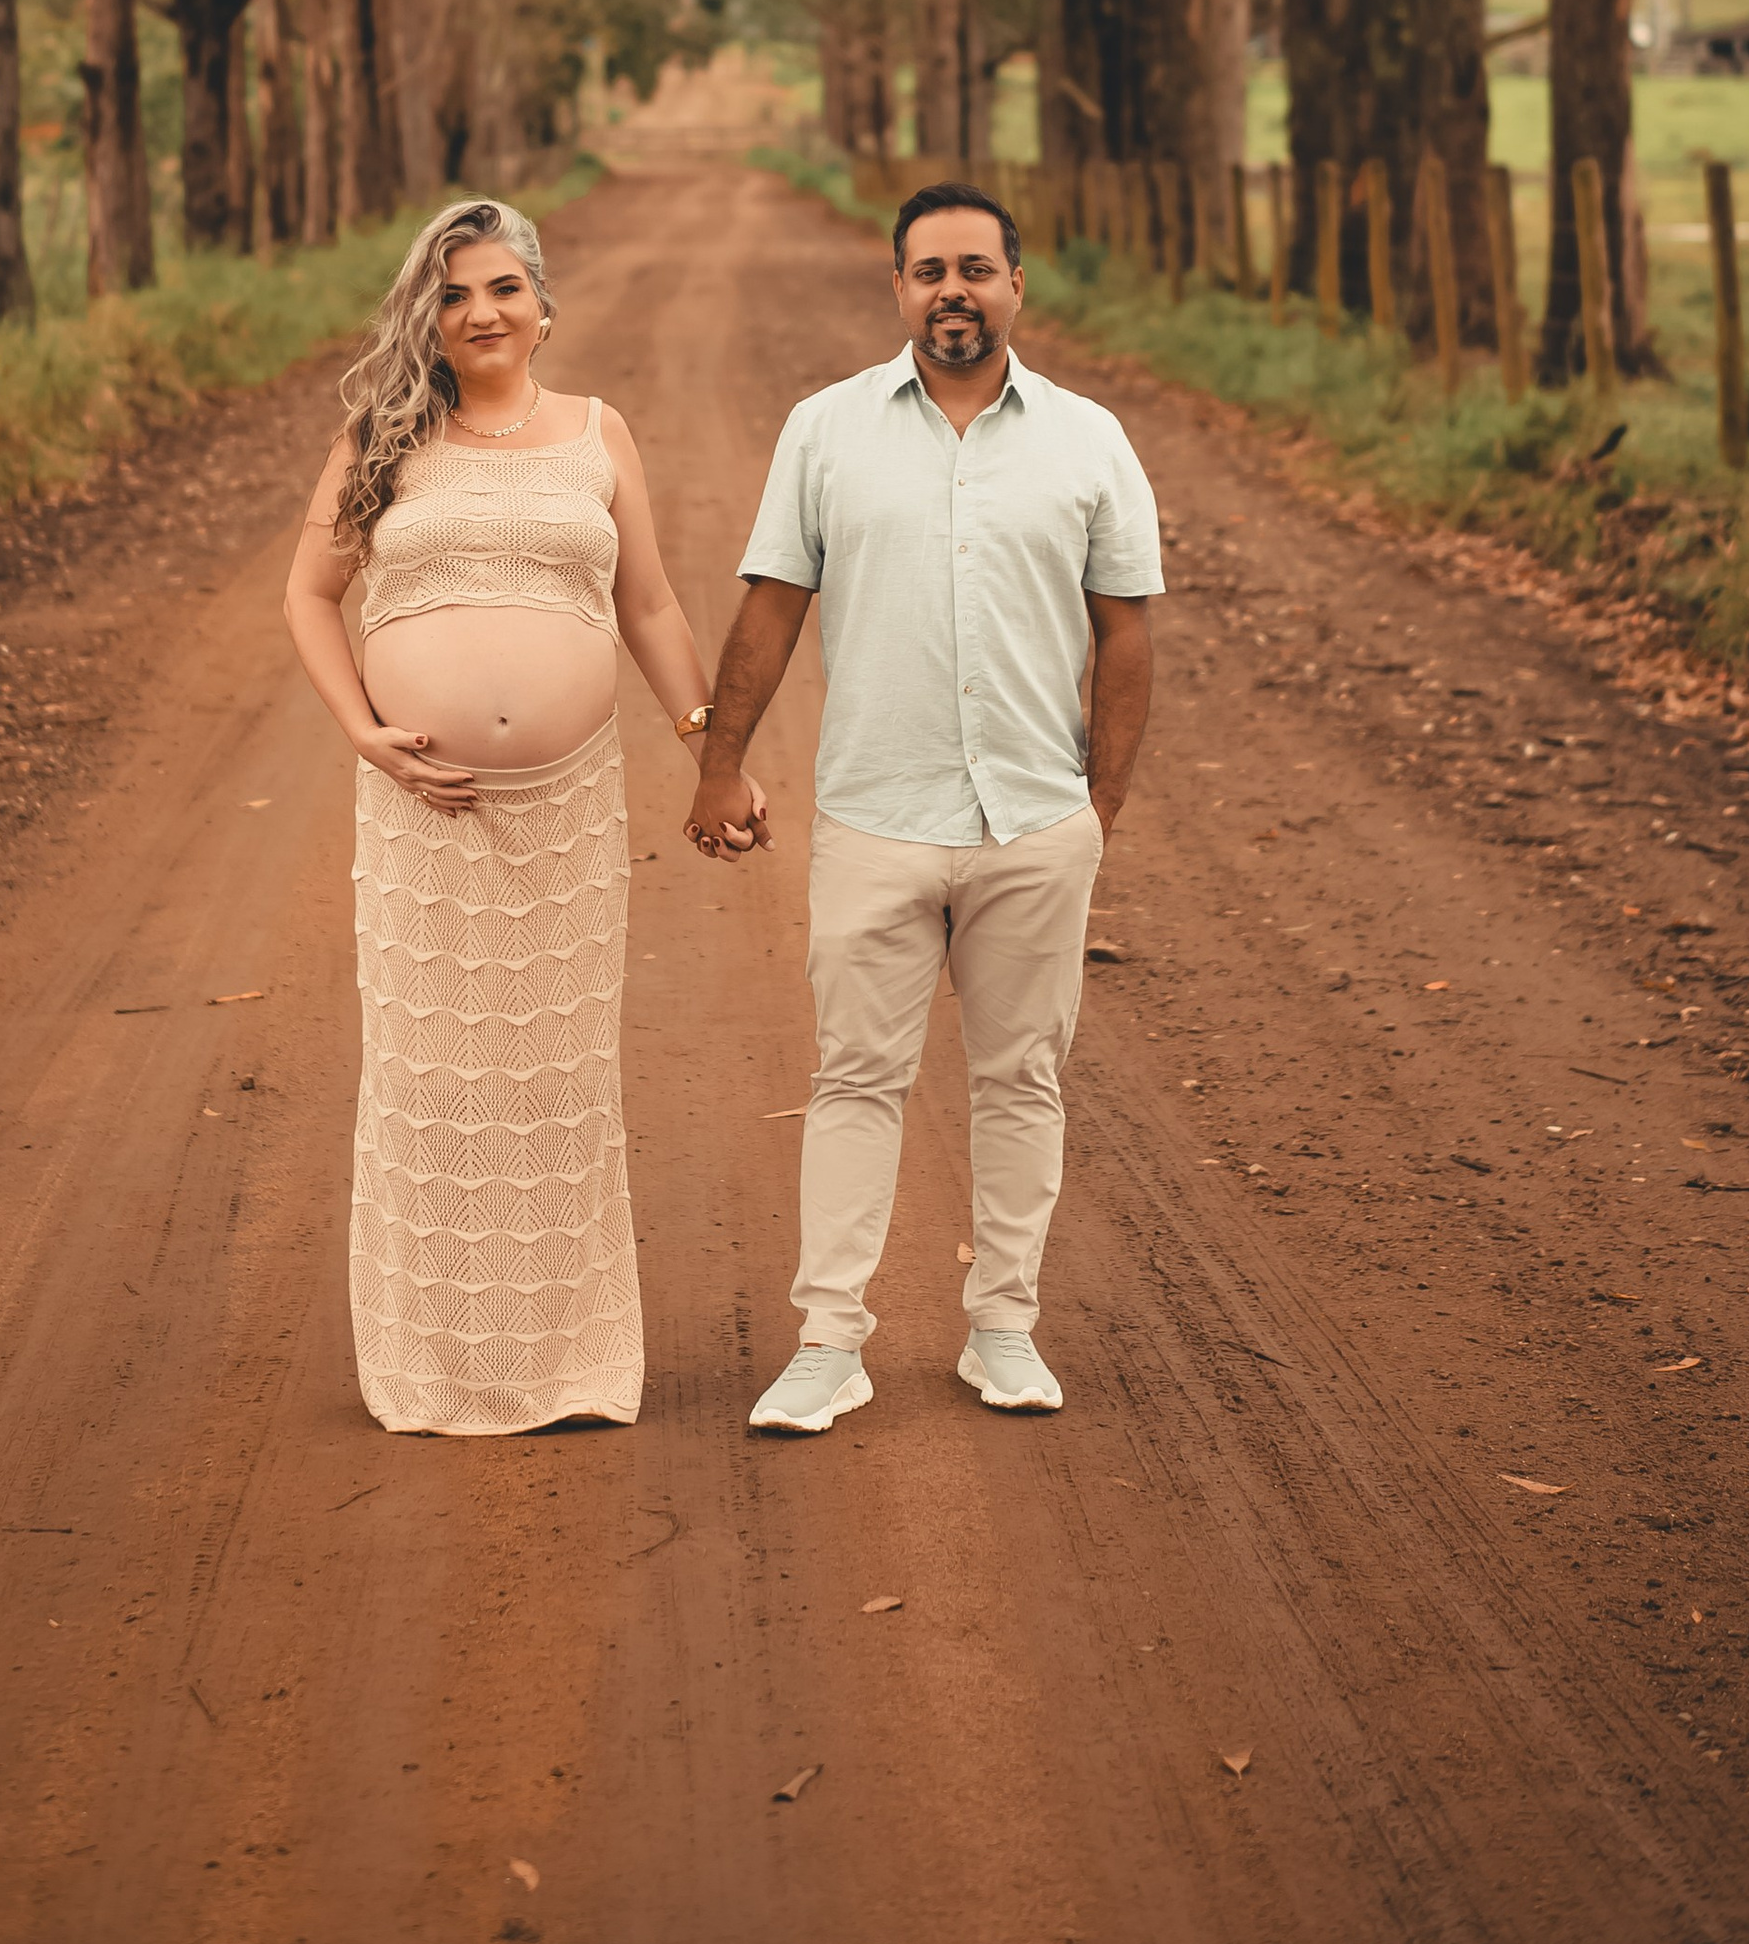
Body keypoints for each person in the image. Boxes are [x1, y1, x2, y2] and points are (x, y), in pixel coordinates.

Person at [686, 180, 1161, 1433]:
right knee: (855, 1077)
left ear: (1018, 284)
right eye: (927, 270)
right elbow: (773, 606)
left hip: (1033, 821)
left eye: (975, 268)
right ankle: (827, 1341)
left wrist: (1095, 805)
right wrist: (717, 760)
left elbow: (1126, 635)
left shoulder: (1088, 439)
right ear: (896, 288)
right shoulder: (826, 429)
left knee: (1021, 1079)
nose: (953, 290)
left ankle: (1003, 1328)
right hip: (873, 816)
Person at [286, 197, 761, 1438]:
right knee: (431, 1082)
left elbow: (650, 606)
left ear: (543, 303)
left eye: (500, 287)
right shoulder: (382, 437)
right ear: (425, 319)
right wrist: (360, 731)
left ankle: (565, 1367)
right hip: (423, 817)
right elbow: (307, 593)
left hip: (565, 814)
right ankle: (435, 1370)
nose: (479, 312)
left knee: (554, 1082)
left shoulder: (599, 434)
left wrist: (714, 751)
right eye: (451, 295)